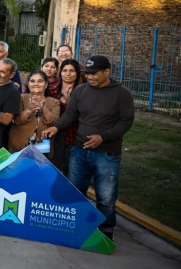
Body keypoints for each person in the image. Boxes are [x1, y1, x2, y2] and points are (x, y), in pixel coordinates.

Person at [42, 55, 135, 240]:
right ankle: (76, 227)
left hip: (107, 153)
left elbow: (126, 122)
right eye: (87, 73)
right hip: (79, 150)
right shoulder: (80, 91)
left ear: (106, 72)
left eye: (94, 74)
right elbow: (70, 115)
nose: (90, 77)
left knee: (106, 197)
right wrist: (56, 126)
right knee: (75, 191)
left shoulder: (121, 93)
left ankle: (105, 232)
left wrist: (103, 137)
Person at [9, 70, 60, 153]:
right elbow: (16, 120)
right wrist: (29, 110)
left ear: (46, 84)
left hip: (43, 149)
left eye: (40, 81)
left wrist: (43, 107)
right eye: (32, 81)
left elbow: (53, 122)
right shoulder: (20, 98)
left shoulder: (54, 102)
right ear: (28, 84)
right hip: (19, 146)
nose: (36, 84)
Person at [53, 59, 83, 175]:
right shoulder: (52, 91)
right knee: (55, 167)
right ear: (60, 72)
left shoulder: (82, 92)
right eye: (65, 70)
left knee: (71, 170)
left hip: (74, 136)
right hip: (55, 136)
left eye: (72, 71)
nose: (68, 74)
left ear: (77, 73)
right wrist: (63, 102)